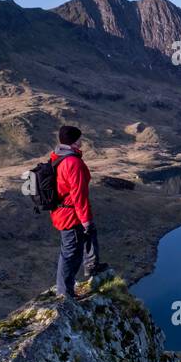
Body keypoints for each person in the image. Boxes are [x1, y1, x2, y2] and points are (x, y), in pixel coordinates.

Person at [51, 125, 108, 298]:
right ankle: (64, 293)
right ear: (75, 141)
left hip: (63, 211)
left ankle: (91, 266)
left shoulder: (58, 156)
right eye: (79, 138)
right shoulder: (72, 162)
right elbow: (78, 194)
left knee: (88, 237)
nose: (82, 141)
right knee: (70, 253)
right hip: (71, 215)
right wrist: (85, 220)